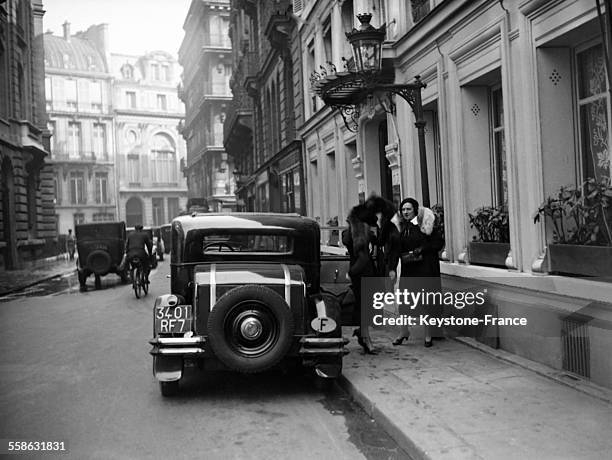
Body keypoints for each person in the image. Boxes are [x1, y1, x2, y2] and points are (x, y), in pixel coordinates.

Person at [392, 197, 444, 347]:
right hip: (409, 269)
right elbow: (395, 249)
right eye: (403, 209)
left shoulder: (425, 224)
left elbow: (438, 243)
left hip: (424, 269)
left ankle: (428, 334)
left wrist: (422, 249)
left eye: (408, 209)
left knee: (425, 302)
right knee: (405, 302)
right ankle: (404, 331)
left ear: (415, 209)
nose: (406, 212)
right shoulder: (401, 227)